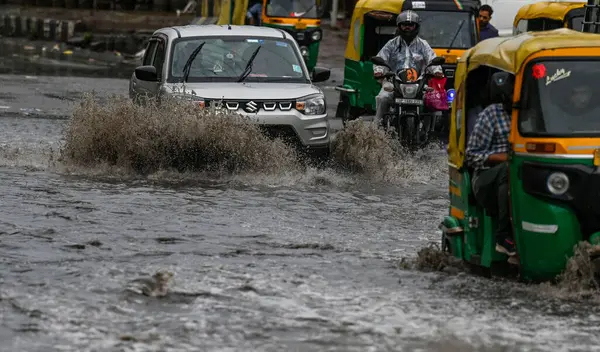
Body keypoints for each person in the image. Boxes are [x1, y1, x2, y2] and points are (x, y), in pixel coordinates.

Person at [465, 71, 516, 258]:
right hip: (486, 179)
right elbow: (471, 156)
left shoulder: (534, 113)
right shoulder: (491, 115)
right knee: (508, 169)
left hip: (522, 174)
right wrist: (502, 158)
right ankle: (503, 236)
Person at [373, 10, 444, 124]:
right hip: (394, 82)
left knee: (433, 100)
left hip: (419, 84)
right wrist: (379, 71)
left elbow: (432, 58)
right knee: (383, 98)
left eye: (410, 25)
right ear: (399, 26)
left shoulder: (423, 45)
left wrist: (436, 71)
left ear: (416, 26)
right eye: (404, 25)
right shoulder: (391, 44)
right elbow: (381, 59)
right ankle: (376, 130)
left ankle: (429, 131)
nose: (407, 28)